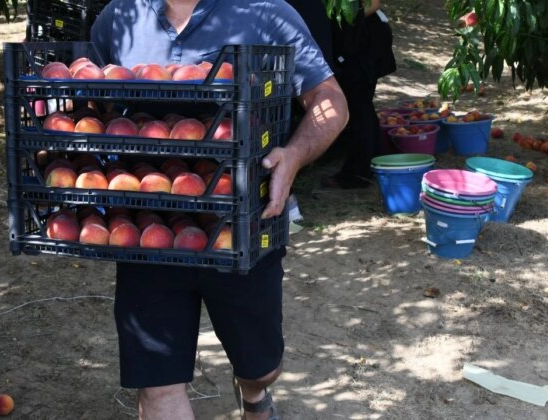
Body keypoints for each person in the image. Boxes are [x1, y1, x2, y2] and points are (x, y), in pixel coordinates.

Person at [90, 1, 348, 419]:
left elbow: (330, 98)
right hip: (147, 226)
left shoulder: (266, 13)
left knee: (260, 367)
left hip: (243, 224)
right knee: (158, 386)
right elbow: (90, 98)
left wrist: (295, 155)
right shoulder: (119, 17)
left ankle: (254, 394)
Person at [321, 0, 395, 189]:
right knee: (361, 105)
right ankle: (376, 161)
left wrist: (347, 22)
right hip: (354, 40)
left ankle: (357, 173)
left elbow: (374, 3)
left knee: (357, 105)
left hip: (363, 42)